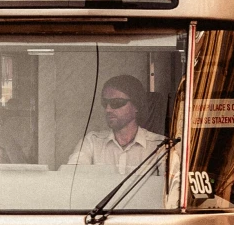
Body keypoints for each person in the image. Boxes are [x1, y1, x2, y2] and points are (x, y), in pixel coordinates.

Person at [67, 75, 170, 204]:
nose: (108, 109)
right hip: (99, 220)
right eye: (105, 103)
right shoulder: (92, 142)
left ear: (136, 106)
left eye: (116, 103)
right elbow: (70, 180)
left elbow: (171, 193)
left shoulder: (160, 146)